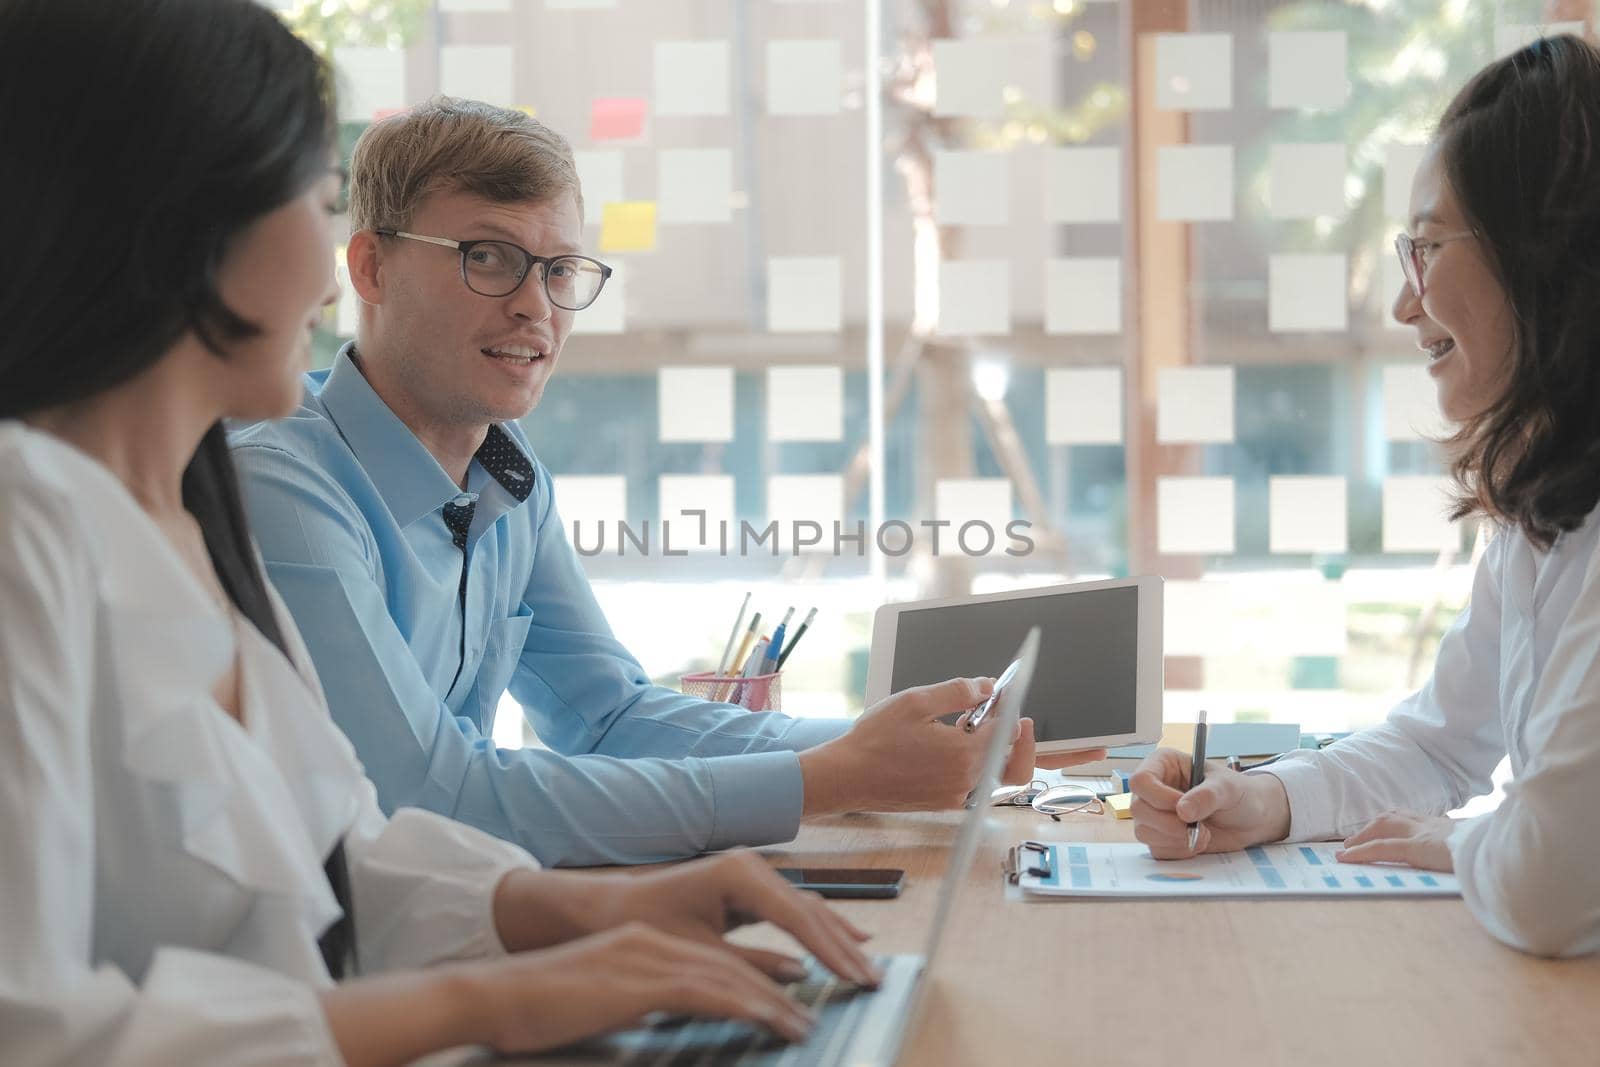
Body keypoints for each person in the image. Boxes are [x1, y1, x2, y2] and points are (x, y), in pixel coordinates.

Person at [0, 2, 889, 1062]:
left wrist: (583, 916)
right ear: (176, 224)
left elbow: (344, 863)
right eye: (316, 202)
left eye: (558, 271)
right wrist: (496, 1001)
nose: (326, 271)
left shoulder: (192, 521)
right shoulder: (34, 527)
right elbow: (37, 1029)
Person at [229, 95, 1102, 867]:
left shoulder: (510, 475)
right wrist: (824, 779)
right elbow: (431, 797)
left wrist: (896, 746)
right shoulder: (284, 491)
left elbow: (608, 717)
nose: (535, 305)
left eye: (560, 269)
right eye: (488, 258)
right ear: (369, 268)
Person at [1127, 35, 1600, 958]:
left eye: (1426, 247)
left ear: (1543, 252)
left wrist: (1461, 841)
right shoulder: (1542, 504)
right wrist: (1265, 800)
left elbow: (1548, 882)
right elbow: (1441, 741)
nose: (1403, 303)